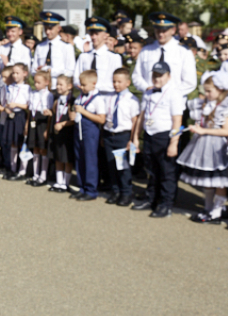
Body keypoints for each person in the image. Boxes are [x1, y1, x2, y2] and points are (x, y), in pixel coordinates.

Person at [131, 61, 185, 218]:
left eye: (160, 75)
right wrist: (135, 137)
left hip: (164, 136)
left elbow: (177, 121)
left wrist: (174, 143)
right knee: (152, 170)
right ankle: (151, 199)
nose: (157, 78)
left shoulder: (174, 93)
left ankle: (166, 204)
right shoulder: (148, 93)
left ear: (168, 76)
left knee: (166, 172)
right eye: (154, 75)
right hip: (149, 134)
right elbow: (142, 116)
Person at [179, 73, 228, 223]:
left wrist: (204, 130)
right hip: (203, 145)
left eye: (209, 91)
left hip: (218, 147)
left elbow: (226, 130)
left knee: (219, 181)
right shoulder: (205, 104)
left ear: (220, 90)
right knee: (206, 179)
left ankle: (217, 211)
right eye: (205, 91)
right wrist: (196, 127)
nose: (206, 94)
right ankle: (208, 207)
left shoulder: (225, 106)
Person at [131, 12, 197, 101]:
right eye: (158, 30)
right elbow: (136, 76)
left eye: (164, 31)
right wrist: (146, 88)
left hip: (174, 103)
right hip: (150, 101)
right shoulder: (146, 50)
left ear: (173, 30)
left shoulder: (183, 51)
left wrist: (170, 94)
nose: (160, 34)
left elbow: (190, 82)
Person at [102, 67, 140, 206]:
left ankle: (126, 192)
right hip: (109, 135)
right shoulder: (109, 97)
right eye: (114, 81)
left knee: (123, 166)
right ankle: (115, 191)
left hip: (123, 136)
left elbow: (135, 120)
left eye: (119, 81)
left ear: (127, 83)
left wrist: (132, 140)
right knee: (111, 165)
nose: (116, 84)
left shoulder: (132, 100)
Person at [70, 70, 106, 201]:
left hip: (90, 131)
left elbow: (101, 119)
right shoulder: (80, 96)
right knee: (80, 159)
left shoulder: (98, 99)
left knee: (90, 160)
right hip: (78, 130)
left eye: (84, 85)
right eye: (80, 84)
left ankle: (91, 190)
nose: (81, 87)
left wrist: (83, 112)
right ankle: (82, 187)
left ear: (93, 84)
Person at [73, 17, 123, 95]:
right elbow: (76, 78)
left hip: (105, 98)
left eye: (97, 34)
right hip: (86, 98)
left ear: (106, 35)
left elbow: (114, 82)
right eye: (92, 34)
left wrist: (93, 87)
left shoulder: (114, 58)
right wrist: (82, 86)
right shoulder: (83, 57)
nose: (93, 37)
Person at [1, 63, 30, 181]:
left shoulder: (27, 88)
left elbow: (28, 105)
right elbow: (7, 100)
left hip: (20, 115)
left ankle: (22, 171)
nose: (15, 75)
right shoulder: (10, 86)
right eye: (13, 73)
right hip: (11, 115)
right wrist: (7, 108)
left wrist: (17, 104)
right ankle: (13, 169)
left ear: (25, 74)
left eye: (17, 73)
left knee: (20, 143)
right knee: (12, 142)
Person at [32, 11, 75, 89]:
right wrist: (38, 71)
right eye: (46, 28)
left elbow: (70, 71)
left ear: (58, 28)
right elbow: (33, 69)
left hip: (58, 88)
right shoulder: (40, 46)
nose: (47, 32)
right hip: (42, 88)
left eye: (50, 29)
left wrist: (50, 71)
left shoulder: (66, 47)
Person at [25, 70, 54, 187]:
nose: (36, 84)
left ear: (46, 82)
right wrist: (27, 124)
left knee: (43, 149)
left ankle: (43, 176)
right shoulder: (33, 93)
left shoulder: (49, 95)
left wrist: (47, 129)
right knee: (35, 148)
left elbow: (50, 114)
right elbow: (30, 110)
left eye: (38, 82)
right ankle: (35, 174)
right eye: (35, 82)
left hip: (43, 122)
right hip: (33, 120)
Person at [49, 75, 76, 193]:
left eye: (61, 84)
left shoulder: (72, 101)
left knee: (67, 158)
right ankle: (59, 182)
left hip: (67, 132)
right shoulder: (57, 99)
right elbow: (55, 113)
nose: (58, 87)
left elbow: (73, 120)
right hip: (57, 131)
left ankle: (66, 183)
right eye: (57, 84)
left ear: (69, 86)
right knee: (58, 157)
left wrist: (63, 124)